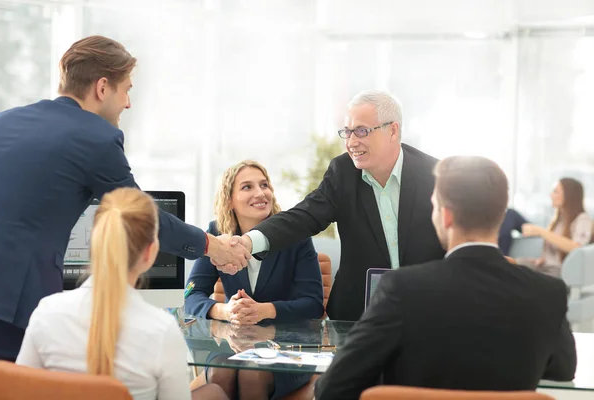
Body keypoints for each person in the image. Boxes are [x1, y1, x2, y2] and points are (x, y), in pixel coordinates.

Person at [0, 35, 249, 361]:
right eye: (126, 89)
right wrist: (214, 246)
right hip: (10, 303)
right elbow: (139, 216)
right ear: (103, 88)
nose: (128, 103)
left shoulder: (1, 121)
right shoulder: (95, 136)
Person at [314, 156, 577, 400]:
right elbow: (563, 371)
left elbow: (332, 388)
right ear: (500, 214)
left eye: (434, 208)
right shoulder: (548, 292)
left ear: (447, 216)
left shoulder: (403, 288)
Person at [217, 90, 445, 321]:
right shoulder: (343, 172)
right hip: (357, 317)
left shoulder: (434, 175)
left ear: (393, 130)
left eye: (361, 131)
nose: (351, 142)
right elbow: (303, 217)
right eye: (347, 132)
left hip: (425, 311)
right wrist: (246, 242)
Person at [15, 188, 228, 400]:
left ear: (95, 245)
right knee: (215, 393)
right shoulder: (161, 330)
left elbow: (19, 392)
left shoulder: (46, 313)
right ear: (151, 251)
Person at [185, 160, 324, 400]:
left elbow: (313, 304)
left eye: (264, 185)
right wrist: (224, 310)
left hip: (288, 350)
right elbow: (191, 297)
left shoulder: (294, 235)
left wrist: (264, 310)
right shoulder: (217, 235)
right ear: (229, 200)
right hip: (234, 346)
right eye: (247, 187)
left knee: (252, 373)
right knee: (221, 373)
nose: (260, 193)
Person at [522, 178, 592, 278]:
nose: (551, 195)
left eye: (555, 192)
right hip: (545, 268)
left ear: (569, 195)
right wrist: (542, 260)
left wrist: (541, 232)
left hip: (560, 273)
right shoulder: (558, 220)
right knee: (516, 264)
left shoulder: (583, 220)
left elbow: (576, 248)